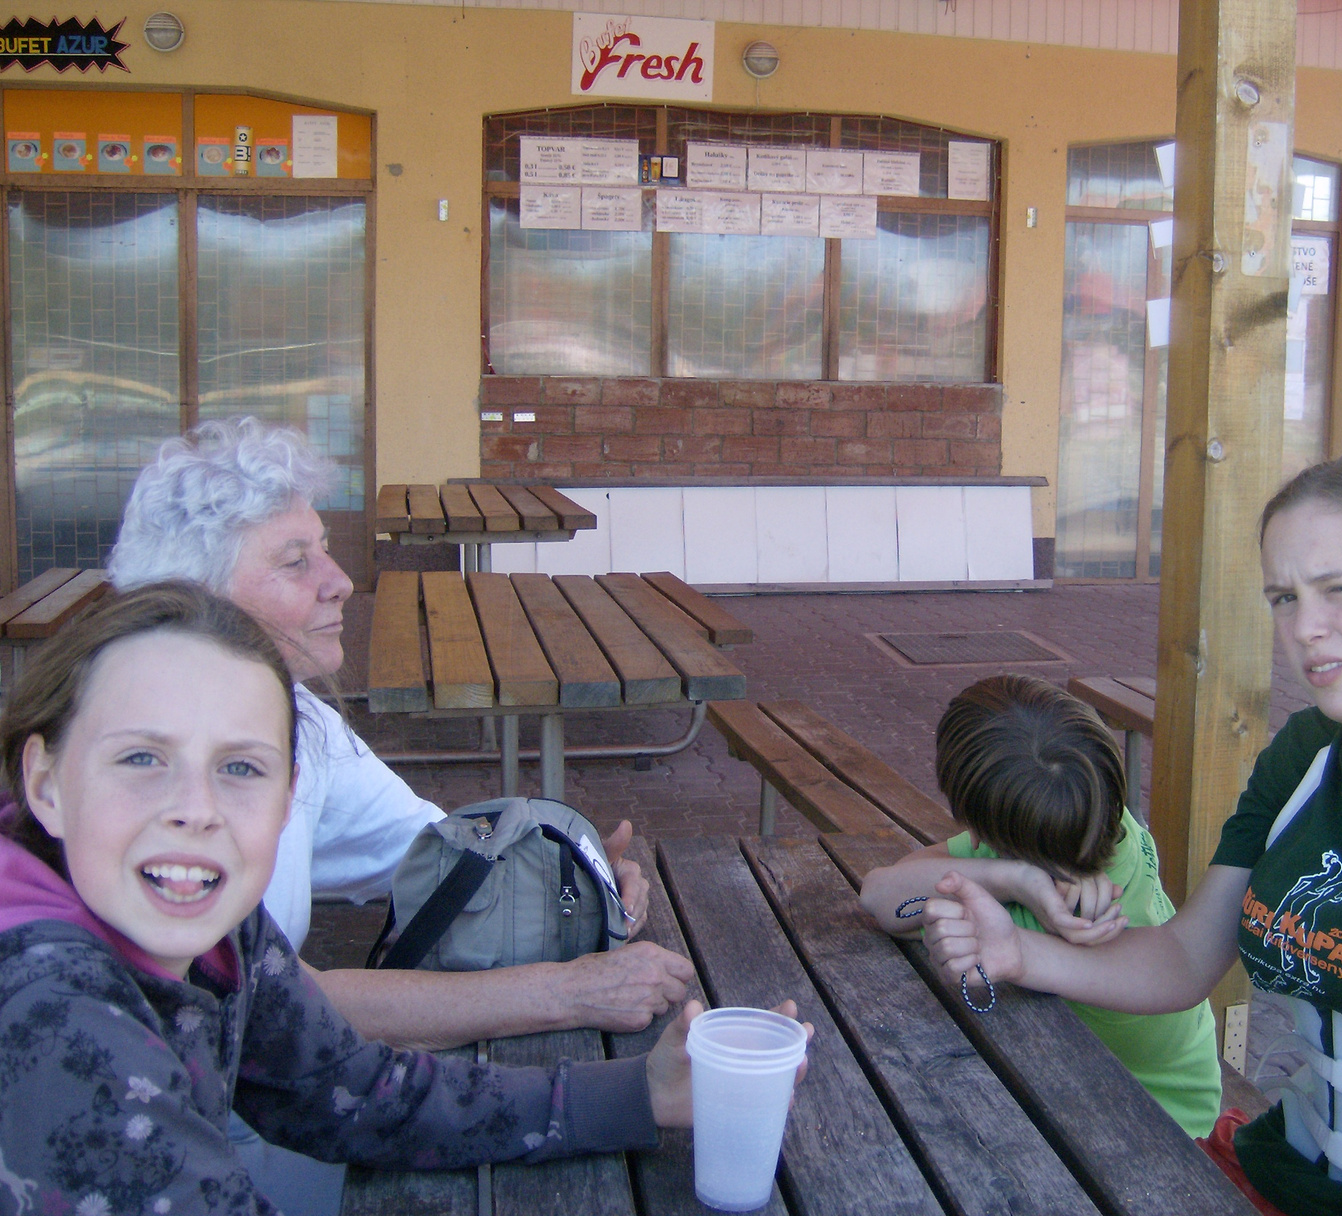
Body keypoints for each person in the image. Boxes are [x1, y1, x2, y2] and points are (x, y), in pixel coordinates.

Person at [917, 452, 1342, 1216]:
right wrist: (1018, 951)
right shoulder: (1307, 755)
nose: (1305, 629)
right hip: (1273, 1174)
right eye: (1284, 597)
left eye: (1339, 589)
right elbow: (1183, 959)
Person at [0, 581, 808, 1214]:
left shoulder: (209, 930)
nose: (196, 807)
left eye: (241, 767)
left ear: (288, 803)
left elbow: (349, 1090)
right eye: (141, 758)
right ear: (46, 782)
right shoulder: (53, 1015)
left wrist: (637, 1092)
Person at [107, 418, 696, 1212]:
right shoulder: (139, 803)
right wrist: (569, 990)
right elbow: (305, 1014)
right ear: (196, 598)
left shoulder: (295, 722)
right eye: (295, 561)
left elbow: (443, 861)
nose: (340, 578)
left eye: (323, 547)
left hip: (282, 1117)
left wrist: (569, 870)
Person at [858, 675, 1222, 1137]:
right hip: (1066, 1079)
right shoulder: (1078, 819)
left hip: (1153, 1122)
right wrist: (1014, 879)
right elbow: (879, 893)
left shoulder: (1096, 914)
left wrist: (1003, 882)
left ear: (975, 828)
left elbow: (886, 901)